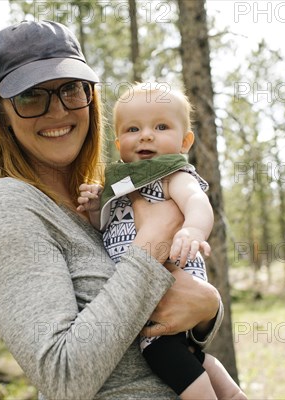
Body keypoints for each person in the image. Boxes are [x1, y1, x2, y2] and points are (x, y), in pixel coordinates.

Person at [0, 20, 230, 399]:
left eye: (71, 89)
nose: (57, 111)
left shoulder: (101, 199)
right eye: (30, 96)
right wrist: (154, 239)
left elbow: (149, 318)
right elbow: (63, 376)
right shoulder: (7, 205)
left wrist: (208, 310)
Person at [77, 83, 247, 399]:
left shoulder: (172, 175)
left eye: (160, 126)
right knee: (186, 355)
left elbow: (197, 202)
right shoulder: (121, 185)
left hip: (172, 283)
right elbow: (106, 232)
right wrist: (92, 209)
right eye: (133, 128)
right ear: (118, 142)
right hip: (142, 288)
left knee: (160, 351)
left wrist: (193, 231)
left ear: (184, 141)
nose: (145, 135)